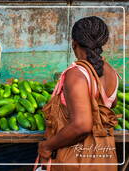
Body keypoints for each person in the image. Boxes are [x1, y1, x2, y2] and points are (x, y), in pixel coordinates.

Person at [37, 16, 119, 171]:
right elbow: (110, 104)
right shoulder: (111, 72)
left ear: (74, 43)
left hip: (76, 155)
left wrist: (47, 146)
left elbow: (82, 125)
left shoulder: (76, 74)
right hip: (104, 155)